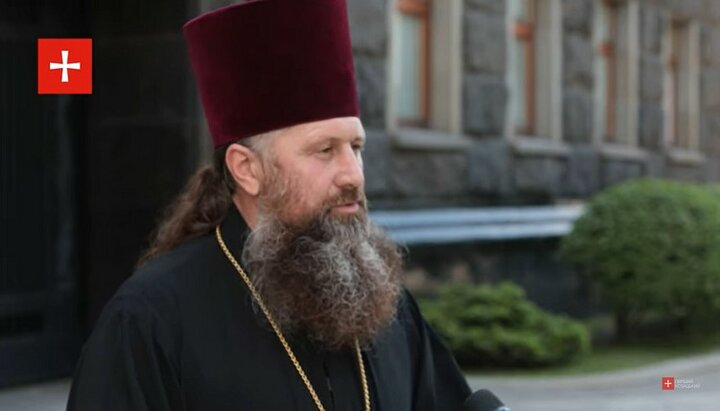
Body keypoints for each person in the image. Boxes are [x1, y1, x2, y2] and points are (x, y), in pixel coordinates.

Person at [67, 0, 471, 409]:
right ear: (247, 169)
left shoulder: (386, 304)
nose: (353, 175)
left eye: (356, 146)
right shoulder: (148, 320)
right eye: (325, 150)